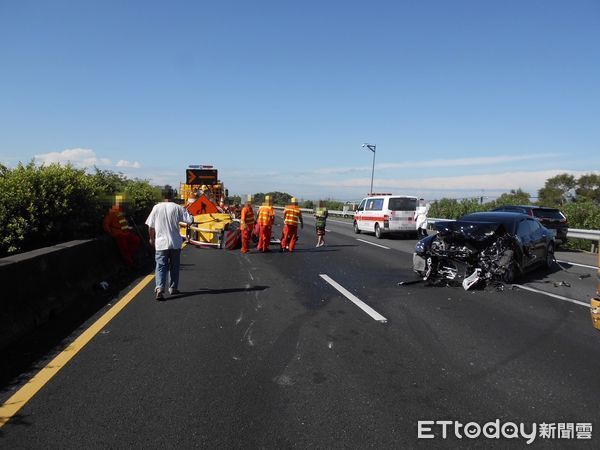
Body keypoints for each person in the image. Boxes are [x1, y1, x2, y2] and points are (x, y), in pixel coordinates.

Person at [145, 186, 193, 300]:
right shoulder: (178, 208)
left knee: (161, 266)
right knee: (174, 266)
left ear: (162, 196)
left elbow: (151, 226)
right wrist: (189, 213)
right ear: (173, 195)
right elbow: (190, 221)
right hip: (175, 243)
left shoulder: (156, 208)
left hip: (161, 243)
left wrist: (151, 238)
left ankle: (159, 289)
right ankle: (173, 288)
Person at [103, 194, 141, 267]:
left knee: (136, 240)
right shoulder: (113, 212)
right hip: (119, 233)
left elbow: (123, 222)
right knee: (124, 249)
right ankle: (130, 264)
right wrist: (111, 233)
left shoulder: (121, 211)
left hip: (126, 232)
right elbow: (106, 224)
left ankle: (131, 258)